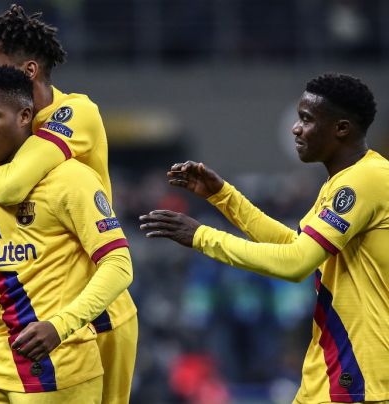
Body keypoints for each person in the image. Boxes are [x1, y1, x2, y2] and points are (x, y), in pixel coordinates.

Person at [0, 5, 138, 403]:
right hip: (28, 314)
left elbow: (11, 186)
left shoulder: (74, 114)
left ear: (28, 71)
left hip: (100, 310)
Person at [139, 72, 389, 404]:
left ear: (341, 129)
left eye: (306, 119)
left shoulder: (365, 181)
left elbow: (296, 264)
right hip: (330, 373)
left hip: (359, 375)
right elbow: (294, 245)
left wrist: (201, 236)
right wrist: (224, 197)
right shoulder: (343, 181)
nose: (295, 128)